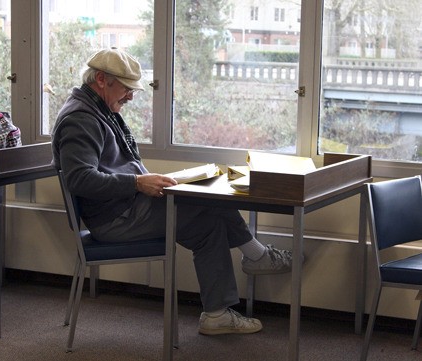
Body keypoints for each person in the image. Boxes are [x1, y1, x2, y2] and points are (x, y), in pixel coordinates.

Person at [51, 48, 293, 335]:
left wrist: (142, 182)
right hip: (115, 220)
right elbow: (80, 180)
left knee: (209, 222)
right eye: (127, 88)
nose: (131, 96)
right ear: (102, 79)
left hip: (127, 208)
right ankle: (257, 256)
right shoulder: (81, 119)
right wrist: (137, 183)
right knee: (212, 199)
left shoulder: (97, 109)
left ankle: (216, 315)